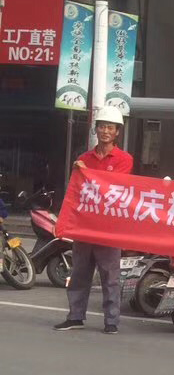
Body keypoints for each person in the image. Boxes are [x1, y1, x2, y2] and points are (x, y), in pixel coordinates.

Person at [54, 105, 134, 334]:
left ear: (117, 132)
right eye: (102, 127)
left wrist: (87, 172)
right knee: (79, 273)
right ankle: (75, 316)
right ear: (95, 129)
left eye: (110, 127)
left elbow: (113, 186)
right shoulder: (83, 158)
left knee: (110, 277)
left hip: (109, 229)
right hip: (84, 227)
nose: (105, 131)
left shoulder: (124, 159)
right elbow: (77, 191)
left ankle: (111, 321)